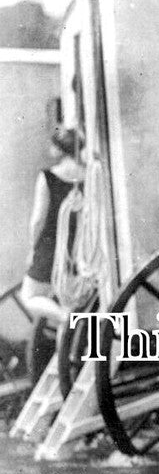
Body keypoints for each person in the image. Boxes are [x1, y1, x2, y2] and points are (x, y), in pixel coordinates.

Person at [20, 126, 85, 327]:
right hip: (77, 246)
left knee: (28, 297)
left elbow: (38, 220)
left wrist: (33, 247)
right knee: (65, 296)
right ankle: (65, 324)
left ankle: (67, 318)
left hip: (50, 247)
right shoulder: (89, 174)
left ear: (59, 148)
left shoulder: (48, 176)